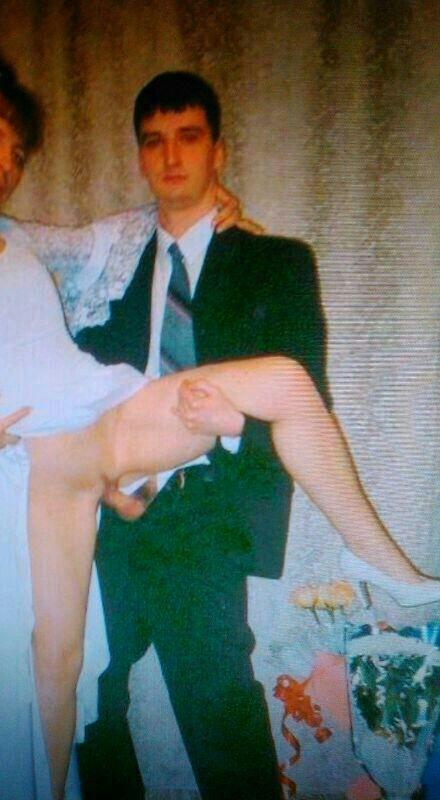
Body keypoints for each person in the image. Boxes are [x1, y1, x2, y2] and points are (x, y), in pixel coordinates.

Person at [0, 55, 438, 800]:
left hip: (139, 451)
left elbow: (125, 235)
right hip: (59, 468)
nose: (5, 164)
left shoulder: (27, 242)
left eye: (16, 151)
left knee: (285, 384)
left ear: (216, 151)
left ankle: (382, 563)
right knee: (64, 676)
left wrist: (217, 209)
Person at [73, 71, 440, 800]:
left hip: (203, 516)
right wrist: (96, 481)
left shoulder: (277, 264)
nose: (171, 155)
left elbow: (309, 407)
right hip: (106, 518)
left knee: (221, 720)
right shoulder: (104, 271)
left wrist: (237, 428)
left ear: (219, 151)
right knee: (87, 705)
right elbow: (72, 391)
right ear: (140, 155)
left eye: (188, 137)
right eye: (154, 141)